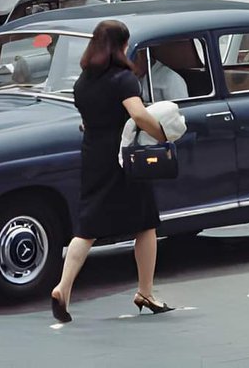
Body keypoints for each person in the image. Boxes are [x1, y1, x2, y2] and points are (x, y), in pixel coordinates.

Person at [50, 19, 173, 324]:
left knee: (87, 227)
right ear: (120, 46)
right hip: (123, 156)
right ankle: (145, 290)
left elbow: (89, 118)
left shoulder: (83, 81)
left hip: (93, 154)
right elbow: (137, 114)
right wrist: (162, 133)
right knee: (145, 223)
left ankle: (63, 288)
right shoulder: (123, 79)